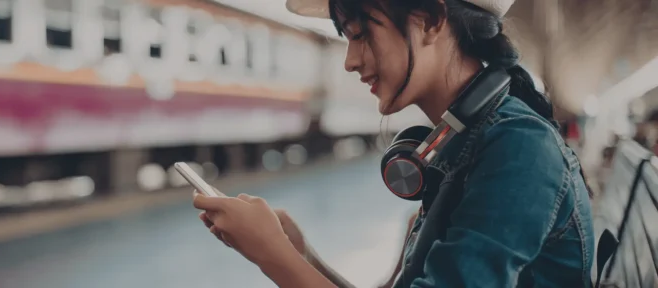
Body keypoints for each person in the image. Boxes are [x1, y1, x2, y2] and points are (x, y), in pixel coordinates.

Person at [192, 0, 596, 287]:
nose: (350, 60)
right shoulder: (469, 140)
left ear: (431, 20)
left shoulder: (518, 147)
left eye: (361, 34)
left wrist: (271, 255)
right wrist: (300, 254)